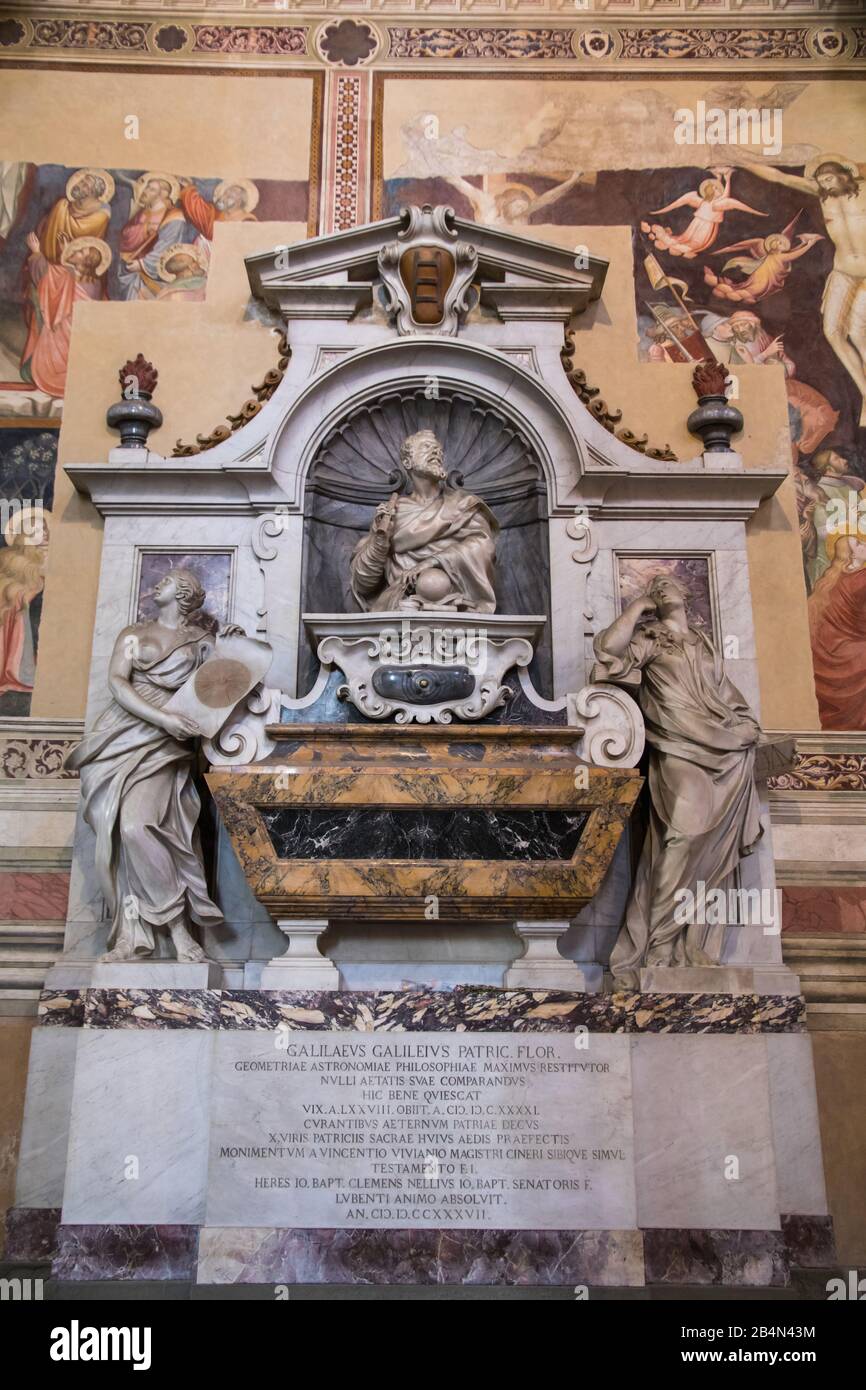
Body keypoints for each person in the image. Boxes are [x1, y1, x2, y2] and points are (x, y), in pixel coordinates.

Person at [592, 573, 763, 987]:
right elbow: (608, 652)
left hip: (726, 750)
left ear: (686, 593)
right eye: (656, 584)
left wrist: (744, 725)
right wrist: (636, 608)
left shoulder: (701, 643)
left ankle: (689, 944)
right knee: (682, 837)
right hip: (677, 746)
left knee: (709, 850)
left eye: (669, 582)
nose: (663, 586)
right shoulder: (651, 637)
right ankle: (656, 945)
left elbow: (725, 693)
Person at [66, 568, 243, 962]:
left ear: (183, 594)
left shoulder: (201, 642)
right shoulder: (133, 635)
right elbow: (117, 683)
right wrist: (161, 717)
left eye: (167, 582)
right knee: (119, 831)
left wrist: (231, 650)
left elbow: (221, 687)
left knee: (138, 826)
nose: (157, 583)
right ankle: (133, 934)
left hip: (164, 744)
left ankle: (179, 929)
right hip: (120, 735)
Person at [743, 156, 866, 420]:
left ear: (845, 175)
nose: (826, 185)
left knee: (859, 333)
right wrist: (738, 158)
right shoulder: (823, 197)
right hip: (843, 271)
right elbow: (778, 176)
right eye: (821, 182)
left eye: (829, 179)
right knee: (832, 331)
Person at [350, 430, 498, 613]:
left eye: (438, 449)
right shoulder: (392, 513)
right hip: (401, 604)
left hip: (456, 602)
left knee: (432, 581)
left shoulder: (463, 505)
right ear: (407, 462)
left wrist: (432, 562)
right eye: (427, 447)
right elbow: (364, 583)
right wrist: (380, 541)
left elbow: (484, 547)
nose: (436, 451)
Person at [641, 167, 766, 259]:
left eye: (718, 189)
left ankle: (684, 246)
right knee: (688, 239)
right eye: (716, 189)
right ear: (710, 191)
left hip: (707, 225)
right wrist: (725, 179)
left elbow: (725, 196)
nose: (718, 191)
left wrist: (724, 179)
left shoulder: (715, 202)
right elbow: (725, 197)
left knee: (694, 241)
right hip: (700, 224)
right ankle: (682, 245)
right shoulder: (705, 201)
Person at [808, 533, 866, 729]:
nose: (864, 544)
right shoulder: (862, 579)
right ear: (851, 557)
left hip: (830, 649)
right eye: (858, 544)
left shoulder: (829, 581)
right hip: (852, 649)